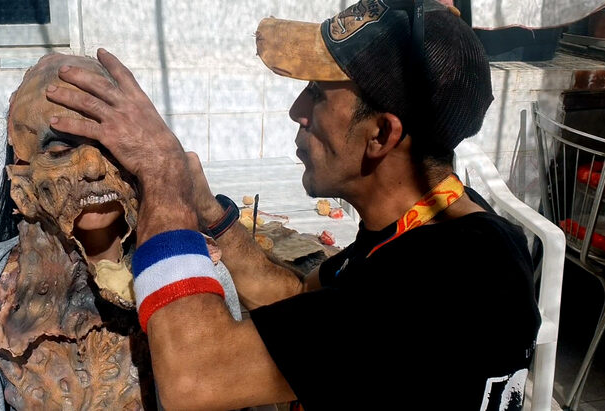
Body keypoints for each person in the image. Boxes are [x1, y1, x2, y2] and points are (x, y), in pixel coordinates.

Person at [46, 0, 541, 409]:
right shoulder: (421, 224)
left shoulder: (446, 278)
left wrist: (163, 178)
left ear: (381, 135)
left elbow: (197, 378)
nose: (296, 112)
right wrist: (209, 214)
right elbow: (300, 308)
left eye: (318, 95)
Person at [0, 53, 242, 410]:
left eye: (111, 147)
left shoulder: (196, 274)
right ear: (22, 187)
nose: (93, 166)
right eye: (61, 150)